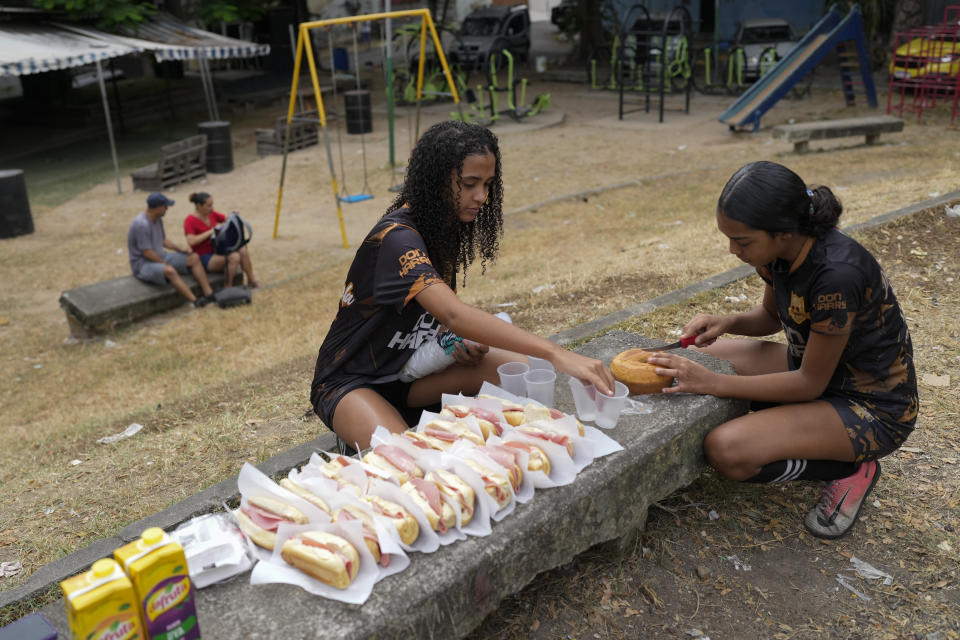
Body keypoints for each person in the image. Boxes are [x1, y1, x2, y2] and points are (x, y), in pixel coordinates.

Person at [647, 161, 918, 539]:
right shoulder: (778, 254)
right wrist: (727, 321)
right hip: (819, 372)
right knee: (698, 359)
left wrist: (712, 384)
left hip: (871, 408)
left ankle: (851, 467)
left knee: (727, 450)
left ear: (783, 232)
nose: (732, 250)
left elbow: (807, 384)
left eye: (742, 241)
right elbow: (771, 317)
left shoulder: (836, 276)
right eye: (729, 238)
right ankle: (795, 426)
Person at [311, 121, 615, 453]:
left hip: (408, 376)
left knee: (523, 374)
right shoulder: (396, 239)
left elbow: (433, 317)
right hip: (352, 383)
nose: (481, 197)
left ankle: (414, 421)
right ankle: (361, 432)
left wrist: (451, 344)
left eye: (487, 184)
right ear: (436, 179)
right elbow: (454, 314)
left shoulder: (443, 228)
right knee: (413, 463)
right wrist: (557, 353)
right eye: (469, 184)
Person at [128, 192, 215, 307]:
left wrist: (181, 249)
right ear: (158, 208)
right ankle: (195, 301)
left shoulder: (157, 218)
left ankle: (209, 293)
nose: (167, 209)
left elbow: (163, 240)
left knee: (194, 258)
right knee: (170, 271)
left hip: (160, 256)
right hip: (142, 264)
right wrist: (164, 263)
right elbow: (147, 252)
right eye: (165, 206)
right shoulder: (141, 224)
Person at [183, 192, 260, 288]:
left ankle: (251, 280)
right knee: (234, 257)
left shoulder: (211, 214)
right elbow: (191, 241)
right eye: (209, 206)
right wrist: (210, 232)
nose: (212, 208)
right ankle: (228, 288)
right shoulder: (190, 220)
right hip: (204, 256)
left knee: (242, 249)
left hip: (218, 250)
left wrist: (234, 215)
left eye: (212, 205)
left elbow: (226, 220)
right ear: (199, 206)